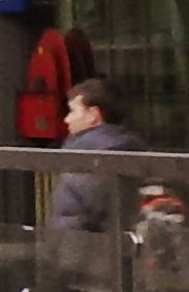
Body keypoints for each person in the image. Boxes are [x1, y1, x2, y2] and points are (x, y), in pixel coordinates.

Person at [48, 76, 150, 234]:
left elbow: (71, 226)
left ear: (93, 115)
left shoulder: (81, 162)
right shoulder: (139, 154)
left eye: (72, 111)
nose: (67, 119)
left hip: (95, 254)